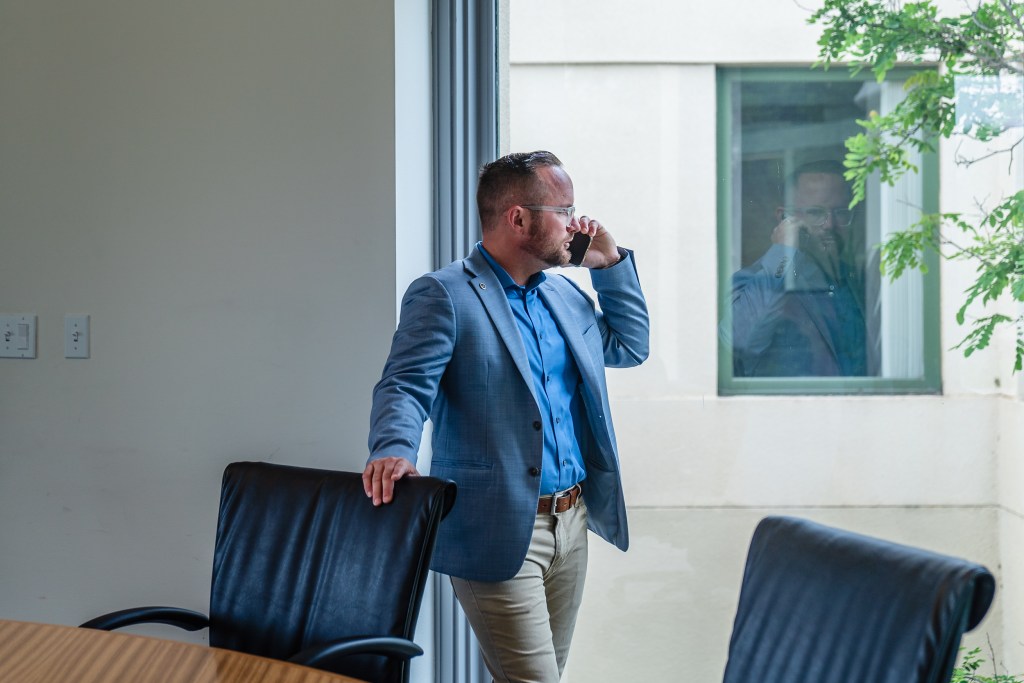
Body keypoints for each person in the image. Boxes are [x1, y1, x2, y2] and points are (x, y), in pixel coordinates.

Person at [363, 150, 649, 683]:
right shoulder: (445, 294)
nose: (577, 223)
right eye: (563, 209)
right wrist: (393, 449)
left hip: (572, 522)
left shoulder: (566, 296)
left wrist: (609, 265)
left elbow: (631, 348)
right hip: (497, 527)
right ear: (518, 217)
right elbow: (404, 384)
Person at [727, 160, 878, 377]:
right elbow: (739, 340)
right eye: (816, 213)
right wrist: (782, 252)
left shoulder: (856, 280)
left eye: (841, 213)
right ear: (784, 218)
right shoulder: (756, 279)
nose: (829, 224)